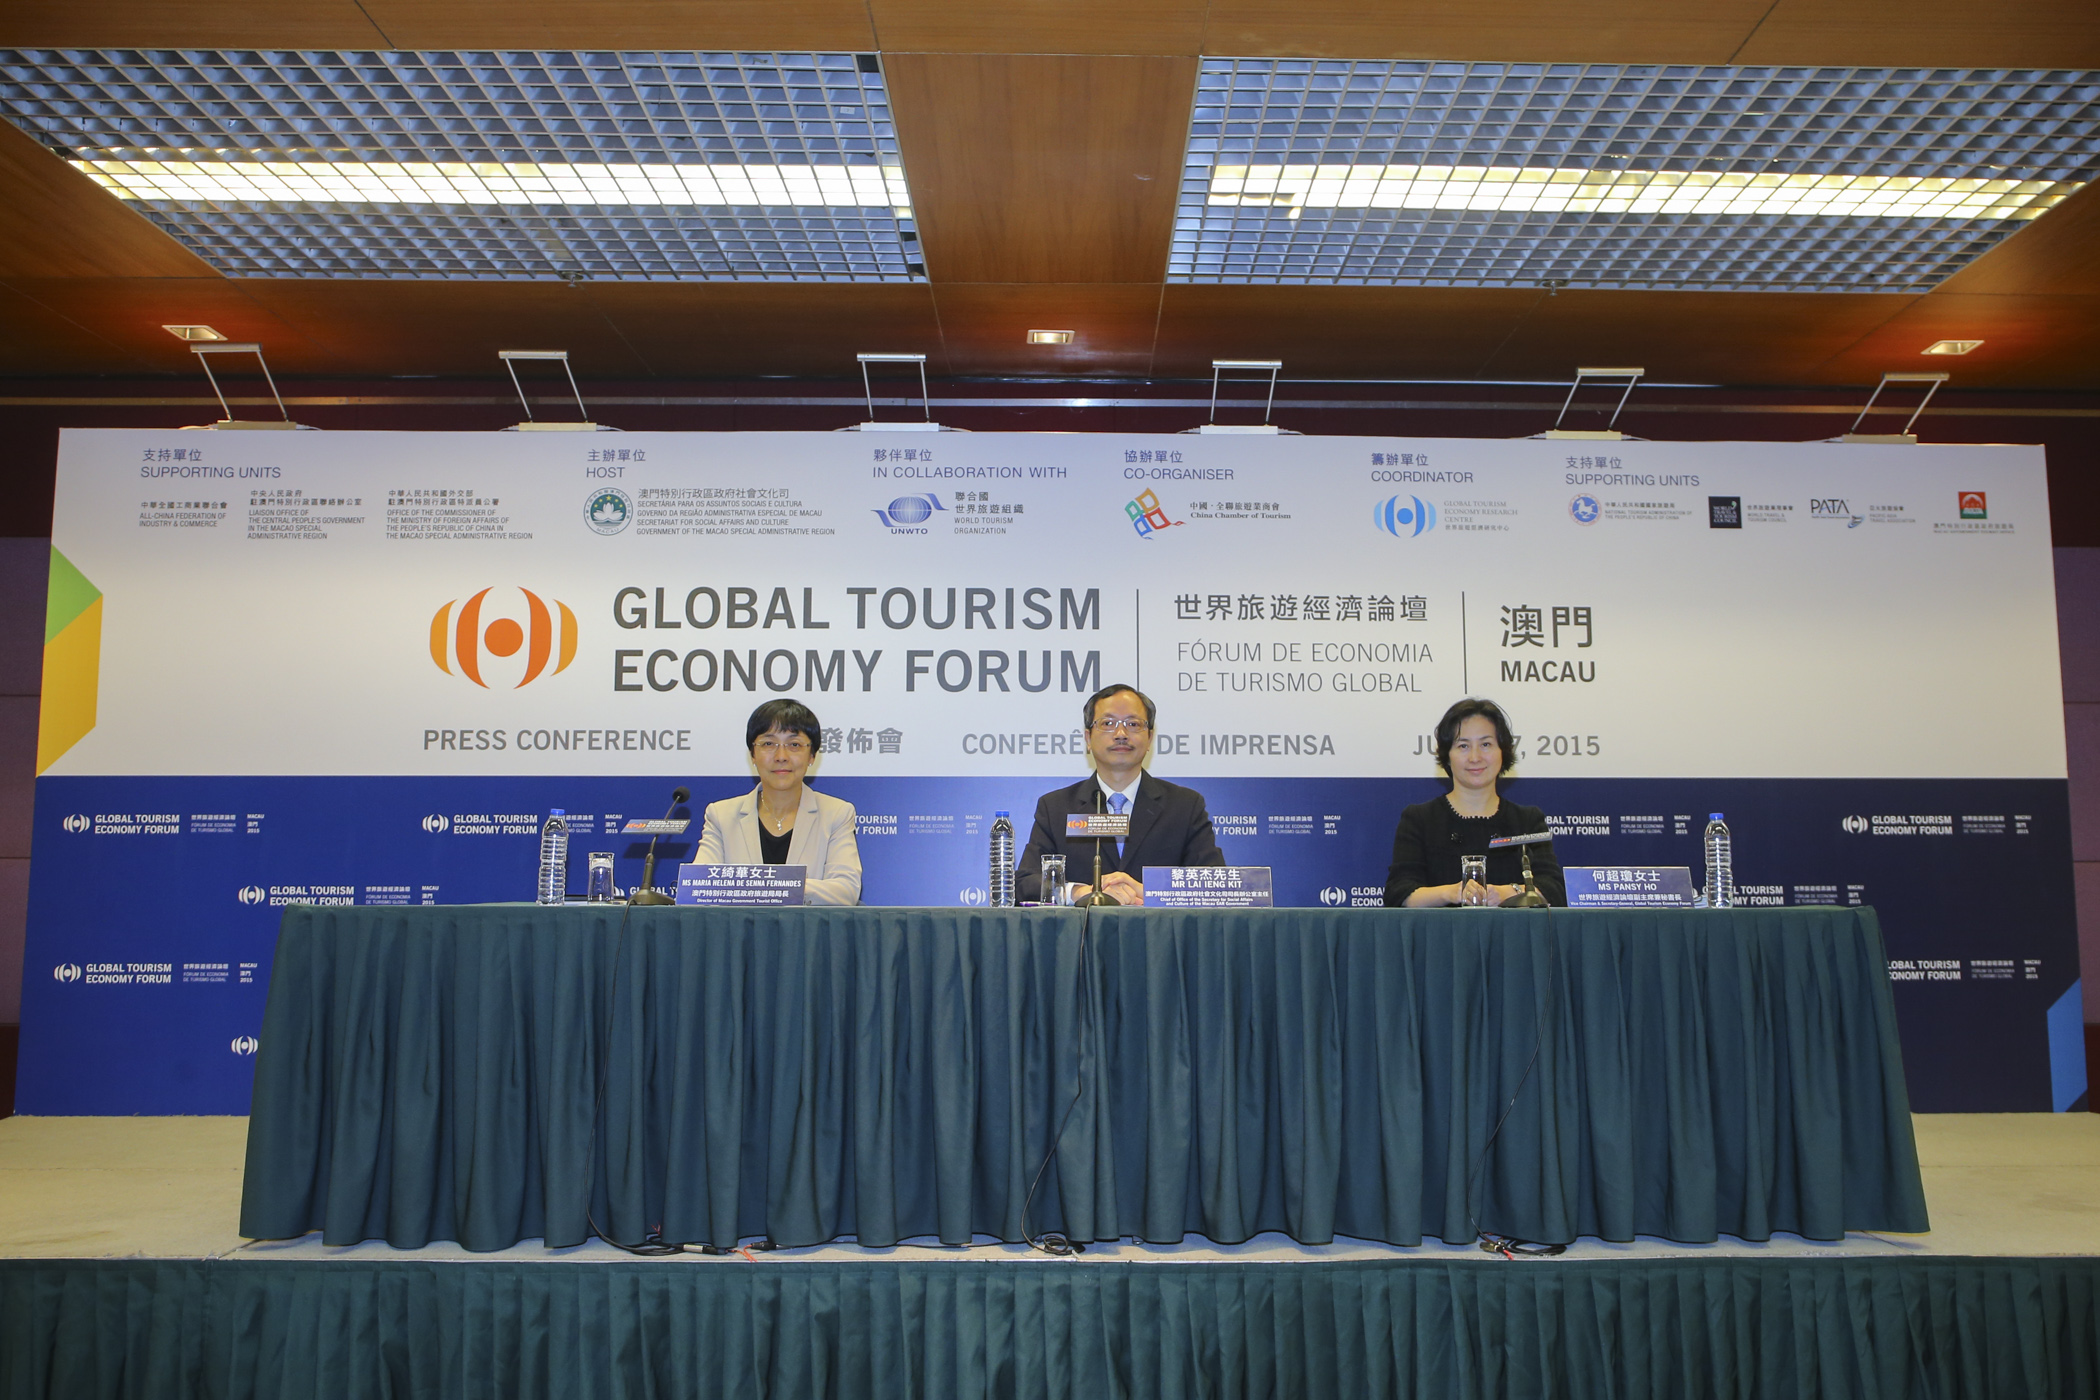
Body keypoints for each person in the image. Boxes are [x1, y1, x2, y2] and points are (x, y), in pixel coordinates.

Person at [1014, 682, 1224, 904]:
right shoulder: (1056, 808)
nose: (1121, 734)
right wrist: (1080, 893)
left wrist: (1148, 892)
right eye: (1108, 723)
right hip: (1084, 927)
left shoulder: (1184, 806)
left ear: (1150, 738)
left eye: (1133, 724)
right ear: (1088, 738)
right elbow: (1024, 884)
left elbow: (1215, 887)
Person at [1383, 697, 1565, 908]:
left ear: (1503, 751)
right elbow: (1399, 894)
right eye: (1463, 746)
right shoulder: (1419, 819)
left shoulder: (1527, 820)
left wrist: (1507, 892)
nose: (1475, 757)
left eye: (1486, 744)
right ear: (1447, 755)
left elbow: (1554, 890)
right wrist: (1452, 892)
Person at [695, 698, 862, 905]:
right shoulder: (721, 815)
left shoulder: (837, 813)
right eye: (768, 744)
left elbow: (845, 891)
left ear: (812, 756)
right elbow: (701, 887)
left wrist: (770, 886)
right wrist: (785, 887)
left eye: (794, 745)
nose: (781, 756)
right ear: (752, 755)